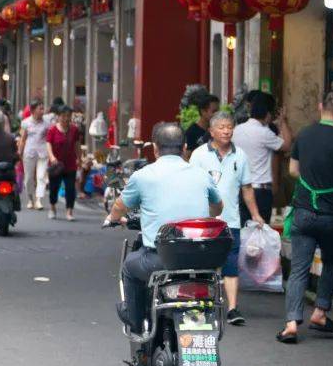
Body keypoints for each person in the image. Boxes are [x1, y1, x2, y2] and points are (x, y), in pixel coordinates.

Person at [104, 122, 223, 332]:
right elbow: (217, 207)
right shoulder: (201, 174)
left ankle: (136, 320)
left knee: (130, 267)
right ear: (184, 148)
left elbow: (118, 208)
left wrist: (113, 218)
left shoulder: (143, 176)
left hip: (160, 260)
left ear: (156, 148)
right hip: (202, 262)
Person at [277, 89, 333, 344]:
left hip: (303, 211)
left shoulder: (304, 134)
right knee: (331, 263)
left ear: (321, 107)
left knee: (299, 268)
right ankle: (321, 312)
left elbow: (292, 170)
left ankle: (291, 323)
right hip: (332, 213)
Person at [190, 111, 264, 326]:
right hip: (204, 220)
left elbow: (247, 188)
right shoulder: (198, 155)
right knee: (204, 264)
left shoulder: (239, 155)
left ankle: (232, 308)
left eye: (229, 126)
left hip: (231, 220)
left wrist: (255, 215)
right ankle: (203, 304)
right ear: (211, 131)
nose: (226, 130)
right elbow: (191, 185)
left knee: (231, 264)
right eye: (221, 127)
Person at [233, 94, 292, 227]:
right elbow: (287, 144)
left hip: (241, 189)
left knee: (244, 231)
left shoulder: (237, 130)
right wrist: (283, 122)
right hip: (260, 191)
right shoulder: (264, 133)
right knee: (260, 235)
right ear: (268, 114)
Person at [45, 105, 82, 221]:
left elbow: (77, 145)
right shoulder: (52, 130)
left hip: (70, 164)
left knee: (70, 188)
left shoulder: (74, 130)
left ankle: (69, 211)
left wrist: (79, 158)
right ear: (58, 117)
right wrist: (51, 157)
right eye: (63, 116)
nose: (66, 118)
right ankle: (52, 208)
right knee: (54, 188)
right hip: (56, 165)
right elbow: (48, 144)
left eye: (68, 116)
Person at [18, 100, 49, 210]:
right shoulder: (26, 123)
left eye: (42, 108)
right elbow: (22, 139)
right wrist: (19, 152)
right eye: (40, 109)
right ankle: (30, 199)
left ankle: (39, 200)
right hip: (29, 152)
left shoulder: (46, 124)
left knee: (41, 177)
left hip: (43, 152)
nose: (42, 111)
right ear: (33, 110)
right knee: (29, 178)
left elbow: (49, 140)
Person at [183, 92, 219, 161]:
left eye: (218, 111)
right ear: (203, 111)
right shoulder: (191, 132)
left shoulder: (219, 131)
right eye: (214, 111)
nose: (217, 114)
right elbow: (186, 157)